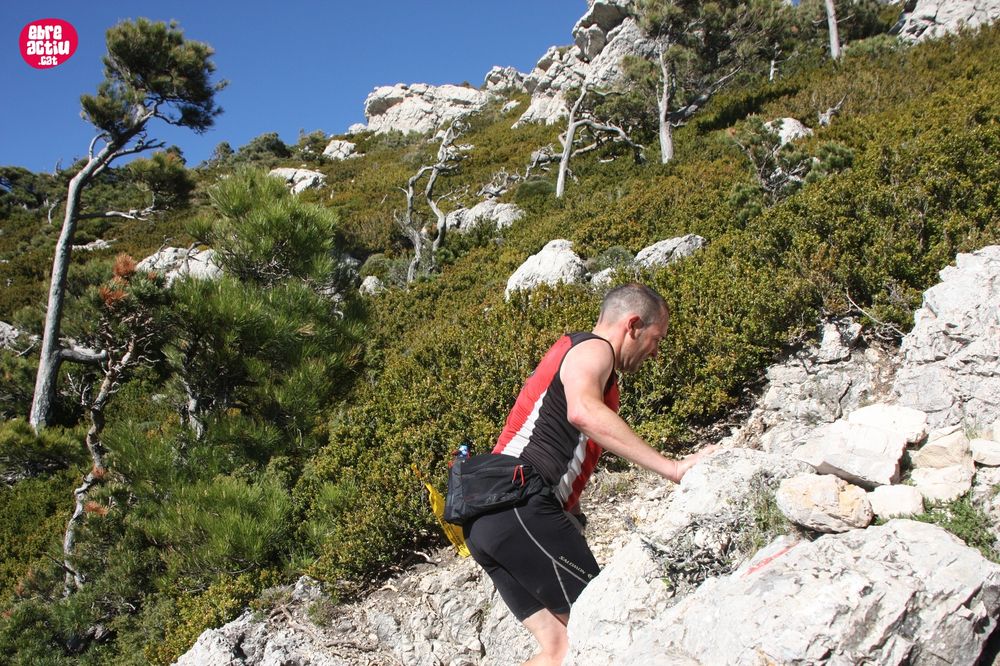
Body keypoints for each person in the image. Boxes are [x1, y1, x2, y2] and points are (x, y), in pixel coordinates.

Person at [463, 283, 716, 666]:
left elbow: (562, 448)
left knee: (561, 649)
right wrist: (674, 468)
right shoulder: (594, 349)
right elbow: (582, 411)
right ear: (633, 325)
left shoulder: (576, 355)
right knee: (601, 633)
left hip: (489, 520)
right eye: (656, 338)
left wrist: (572, 516)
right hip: (519, 507)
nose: (656, 352)